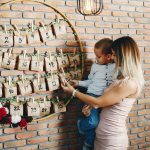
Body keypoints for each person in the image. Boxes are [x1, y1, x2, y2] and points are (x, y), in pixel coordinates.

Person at [61, 36, 144, 150]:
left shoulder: (129, 83)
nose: (112, 58)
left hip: (112, 140)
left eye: (114, 55)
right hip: (101, 137)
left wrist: (73, 92)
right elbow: (106, 103)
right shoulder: (120, 77)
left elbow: (97, 102)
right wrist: (89, 109)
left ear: (124, 56)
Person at [71, 38, 114, 150]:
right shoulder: (95, 66)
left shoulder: (116, 67)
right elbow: (91, 81)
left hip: (106, 98)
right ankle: (81, 125)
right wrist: (78, 83)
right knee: (92, 122)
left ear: (109, 56)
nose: (96, 59)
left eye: (98, 56)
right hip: (92, 96)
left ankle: (88, 145)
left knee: (97, 126)